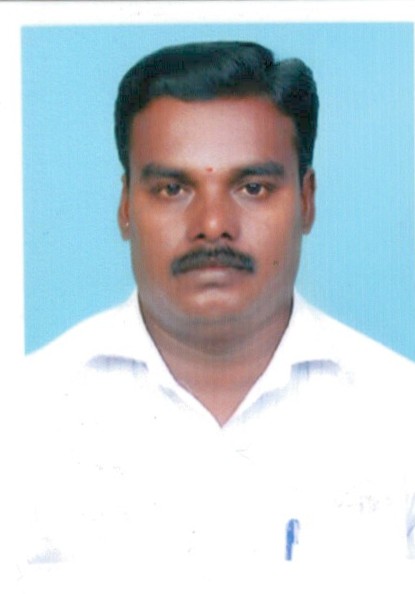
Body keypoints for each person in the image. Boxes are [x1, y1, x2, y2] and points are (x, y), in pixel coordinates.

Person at [11, 41, 415, 591]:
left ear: (307, 199)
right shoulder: (22, 417)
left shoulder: (400, 415)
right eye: (172, 188)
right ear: (126, 205)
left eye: (252, 187)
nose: (212, 224)